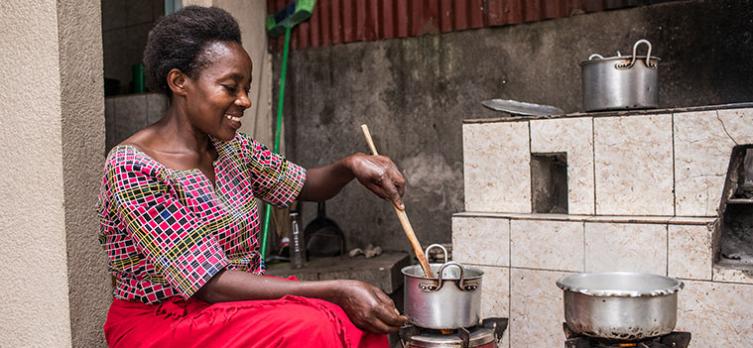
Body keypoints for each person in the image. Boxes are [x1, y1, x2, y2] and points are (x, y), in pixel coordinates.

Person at [97, 6, 408, 347]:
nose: (244, 101)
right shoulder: (133, 166)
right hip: (162, 321)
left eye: (247, 88)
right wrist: (336, 289)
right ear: (179, 82)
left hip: (234, 310)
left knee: (361, 322)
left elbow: (305, 184)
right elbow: (209, 282)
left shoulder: (232, 148)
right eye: (230, 88)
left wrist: (352, 165)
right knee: (312, 327)